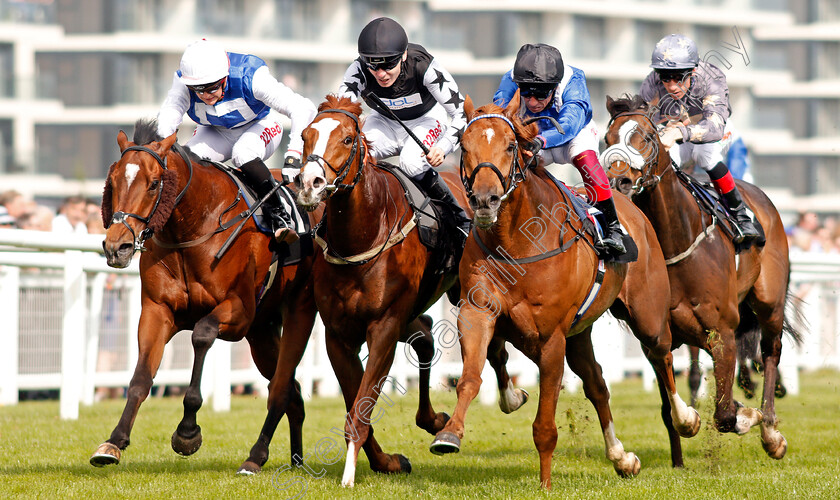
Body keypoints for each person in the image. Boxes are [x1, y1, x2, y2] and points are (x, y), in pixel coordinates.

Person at [156, 38, 317, 243]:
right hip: (216, 131)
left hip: (260, 125)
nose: (206, 95)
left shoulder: (251, 76)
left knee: (243, 153)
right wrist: (159, 148)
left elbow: (304, 108)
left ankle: (280, 214)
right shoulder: (183, 82)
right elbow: (169, 114)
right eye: (199, 90)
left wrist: (294, 153)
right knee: (187, 162)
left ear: (225, 78)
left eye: (212, 88)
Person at [338, 17, 472, 257]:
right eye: (372, 66)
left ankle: (458, 220)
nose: (380, 74)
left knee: (410, 162)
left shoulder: (425, 67)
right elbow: (340, 113)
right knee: (354, 154)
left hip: (427, 120)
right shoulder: (358, 70)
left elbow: (462, 113)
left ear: (403, 56)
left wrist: (444, 146)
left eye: (387, 65)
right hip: (384, 122)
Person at [494, 43, 626, 255]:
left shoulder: (573, 81)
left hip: (572, 136)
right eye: (526, 94)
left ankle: (613, 228)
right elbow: (500, 113)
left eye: (540, 95)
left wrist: (541, 141)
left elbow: (568, 126)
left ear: (555, 87)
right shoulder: (510, 78)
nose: (533, 101)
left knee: (587, 161)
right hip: (534, 134)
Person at [640, 33, 758, 244]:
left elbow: (713, 127)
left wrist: (680, 131)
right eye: (665, 77)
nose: (671, 85)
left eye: (678, 77)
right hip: (677, 131)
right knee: (660, 160)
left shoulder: (711, 78)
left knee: (705, 155)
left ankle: (740, 213)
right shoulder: (651, 83)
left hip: (714, 129)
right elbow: (645, 121)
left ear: (693, 71)